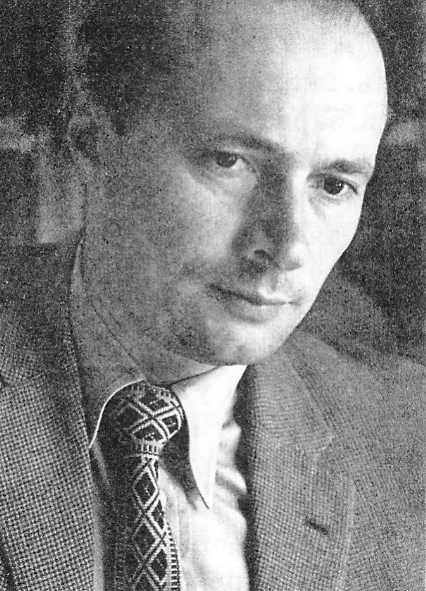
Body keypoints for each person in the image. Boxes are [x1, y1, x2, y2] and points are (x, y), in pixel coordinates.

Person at [0, 0, 423, 589]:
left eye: (333, 185)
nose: (287, 246)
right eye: (231, 162)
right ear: (93, 143)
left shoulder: (407, 435)